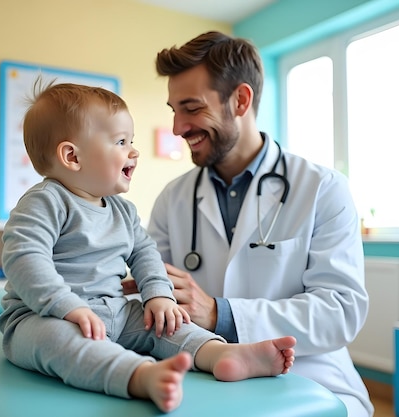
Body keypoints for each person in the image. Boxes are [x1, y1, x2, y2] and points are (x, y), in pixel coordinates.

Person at [0, 81, 296, 413]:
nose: (134, 151)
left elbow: (145, 253)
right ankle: (140, 376)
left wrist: (158, 296)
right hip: (41, 317)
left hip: (116, 311)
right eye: (121, 142)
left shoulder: (122, 210)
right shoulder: (45, 201)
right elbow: (25, 258)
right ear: (72, 156)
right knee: (60, 341)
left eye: (132, 141)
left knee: (168, 324)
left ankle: (221, 354)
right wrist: (66, 306)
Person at [143, 31, 374, 416]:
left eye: (191, 108)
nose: (178, 127)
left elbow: (341, 311)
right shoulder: (174, 197)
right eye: (173, 110)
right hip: (205, 371)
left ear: (241, 100)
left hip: (309, 376)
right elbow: (149, 289)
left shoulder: (322, 188)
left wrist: (220, 314)